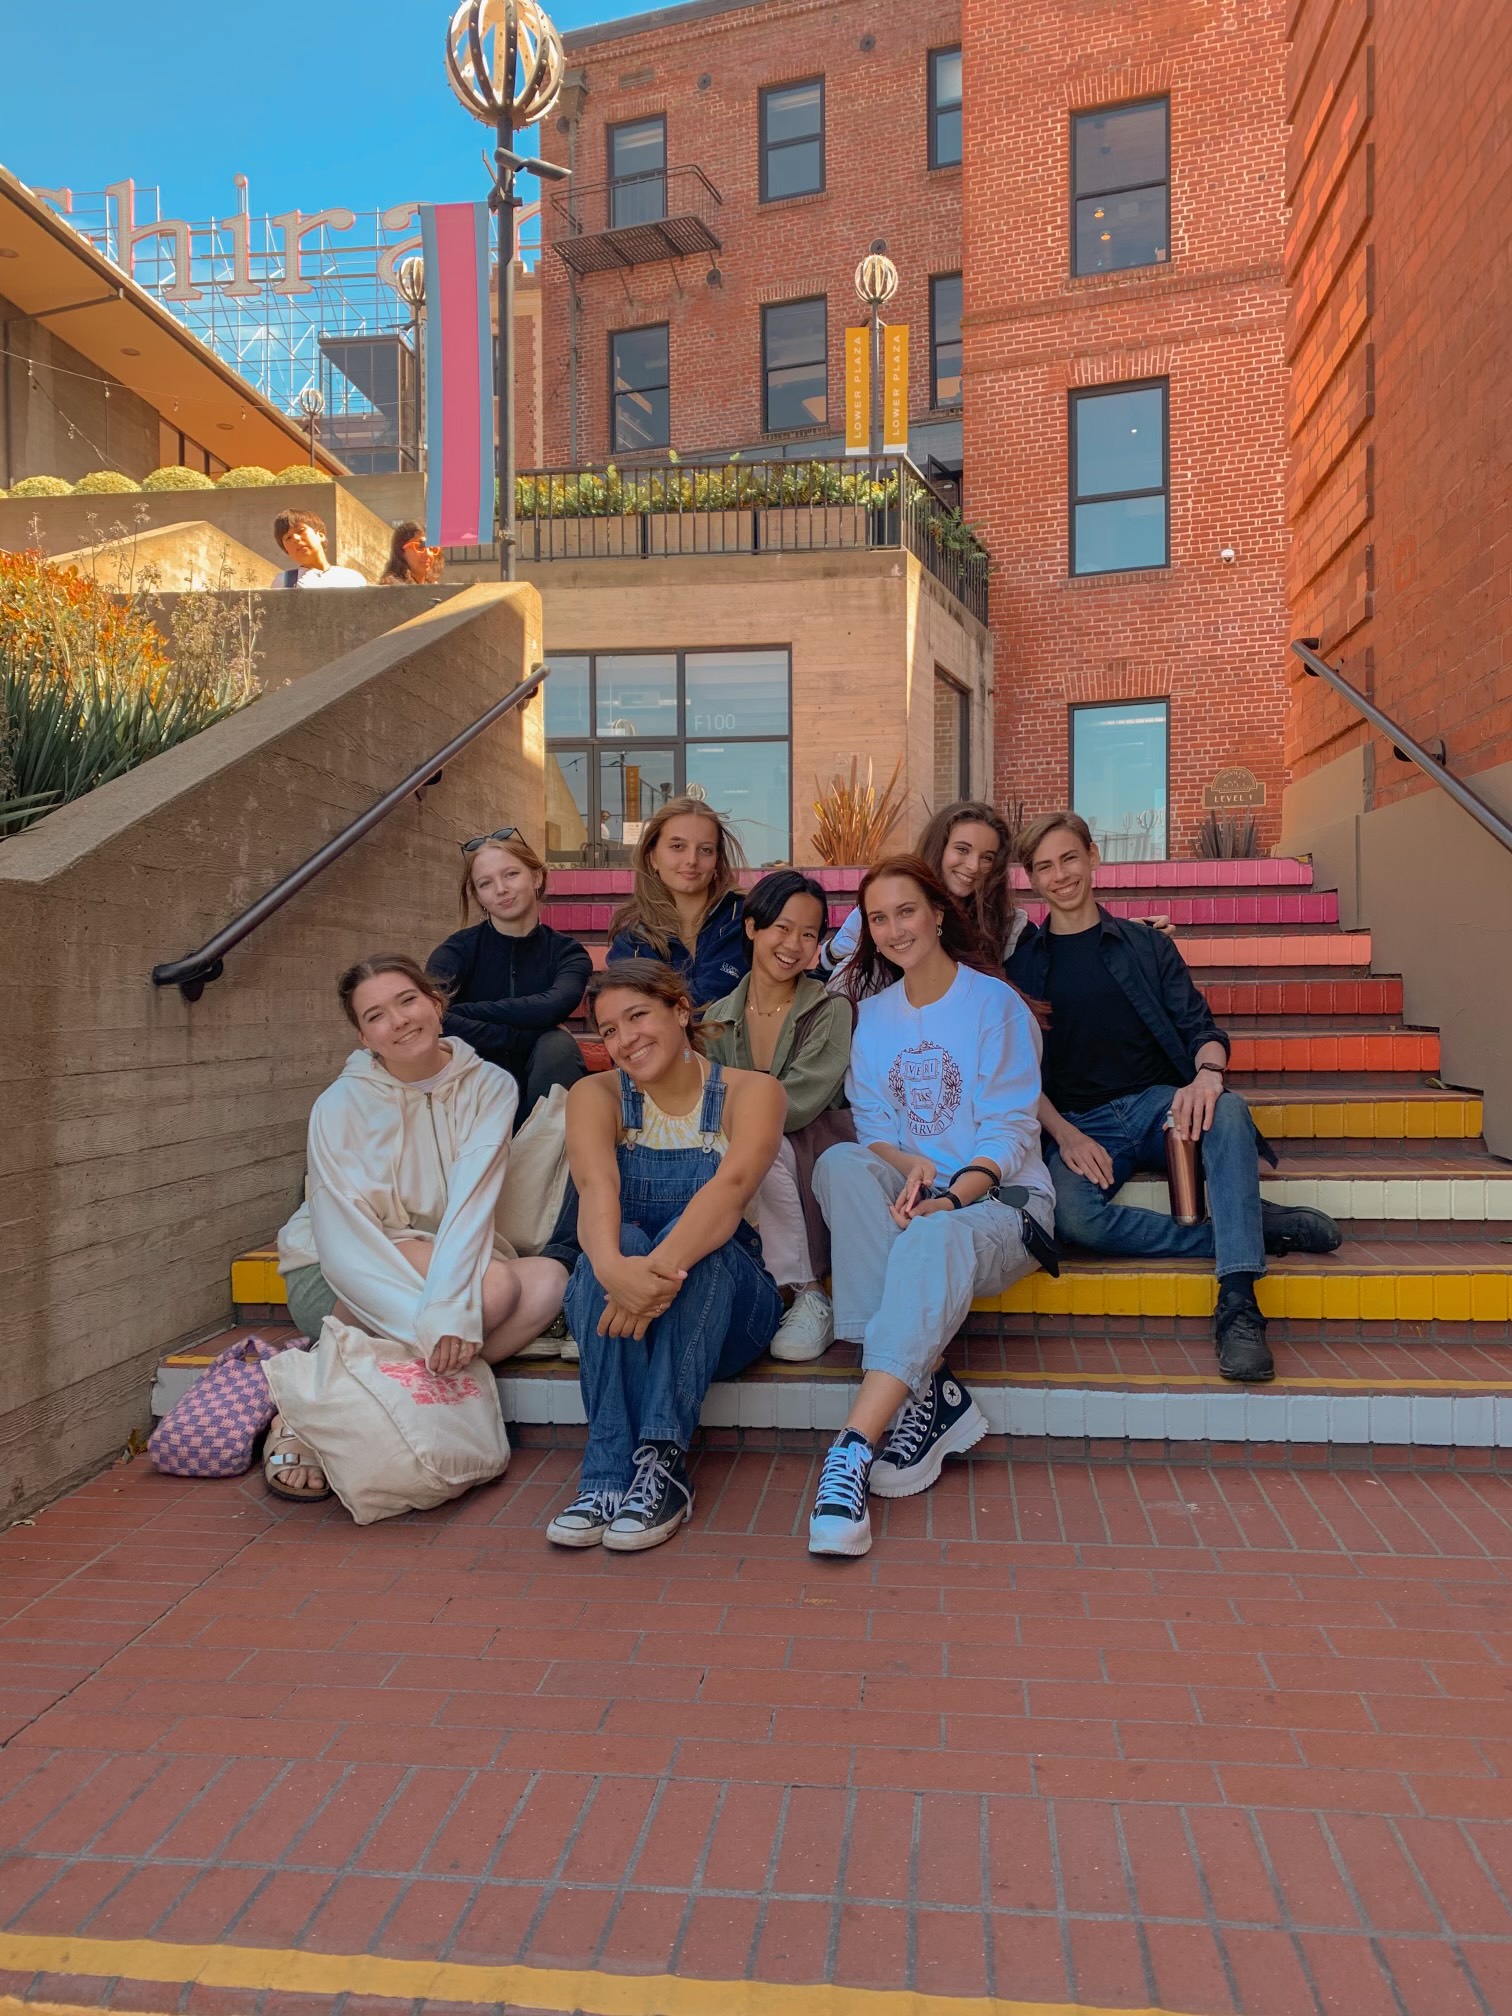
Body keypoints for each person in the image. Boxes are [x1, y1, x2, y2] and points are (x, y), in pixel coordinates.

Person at [1007, 812, 1341, 1384]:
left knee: (1228, 1109)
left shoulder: (1144, 945)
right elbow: (1012, 1070)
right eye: (1044, 866)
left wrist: (1207, 1077)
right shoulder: (1022, 967)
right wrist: (1065, 1132)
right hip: (1083, 1124)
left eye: (1068, 858)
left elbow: (1201, 1029)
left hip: (1159, 1106)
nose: (1060, 875)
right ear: (1031, 880)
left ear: (1092, 857)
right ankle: (1248, 1230)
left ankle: (1238, 1301)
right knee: (1075, 1221)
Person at [808, 856, 1055, 1559]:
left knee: (930, 1237)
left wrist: (948, 1195)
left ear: (938, 913)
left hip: (1005, 1200)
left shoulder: (992, 1005)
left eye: (905, 912)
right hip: (921, 1191)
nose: (892, 930)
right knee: (841, 1164)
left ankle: (852, 1450)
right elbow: (874, 1126)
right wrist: (908, 1166)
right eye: (878, 918)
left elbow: (1011, 1132)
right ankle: (928, 1388)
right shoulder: (872, 1016)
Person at [269, 955, 568, 1501]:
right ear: (364, 1036)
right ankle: (308, 1416)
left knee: (550, 1280)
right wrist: (432, 1319)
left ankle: (356, 1397)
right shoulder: (338, 1105)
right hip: (340, 1272)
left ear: (436, 1002)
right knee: (497, 1288)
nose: (400, 1021)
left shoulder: (490, 1085)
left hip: (447, 1254)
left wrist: (450, 1312)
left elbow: (473, 1202)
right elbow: (345, 1242)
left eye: (408, 1000)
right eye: (377, 1015)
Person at [548, 961, 785, 1552]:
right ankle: (605, 1476)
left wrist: (648, 1282)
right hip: (626, 1299)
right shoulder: (593, 1094)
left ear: (680, 1010)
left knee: (700, 1240)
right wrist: (613, 1270)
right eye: (608, 1031)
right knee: (612, 1243)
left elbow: (728, 1195)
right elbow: (596, 1187)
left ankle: (661, 1464)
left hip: (727, 1312)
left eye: (638, 1016)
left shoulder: (752, 1092)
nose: (625, 1040)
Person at [702, 870, 854, 1361]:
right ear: (752, 927)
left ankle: (809, 1291)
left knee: (765, 1143)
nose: (794, 944)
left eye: (809, 934)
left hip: (808, 1156)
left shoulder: (830, 1009)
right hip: (736, 1166)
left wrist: (732, 1114)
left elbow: (801, 1101)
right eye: (782, 928)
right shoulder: (714, 1018)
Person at [820, 799, 1174, 994]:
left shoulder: (1006, 925)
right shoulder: (886, 910)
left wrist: (1123, 932)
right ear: (938, 847)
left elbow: (1058, 948)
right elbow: (837, 977)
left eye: (987, 857)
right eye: (962, 849)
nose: (974, 866)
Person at [428, 827, 590, 1127]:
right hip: (472, 1082)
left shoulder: (567, 952)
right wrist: (519, 1036)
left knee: (557, 1047)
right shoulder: (457, 950)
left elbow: (553, 1005)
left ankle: (551, 1161)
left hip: (541, 1081)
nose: (501, 889)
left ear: (537, 877)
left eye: (511, 874)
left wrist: (465, 1011)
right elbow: (432, 1017)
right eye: (486, 883)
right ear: (478, 896)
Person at [607, 797, 749, 1008]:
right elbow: (632, 1012)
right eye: (677, 846)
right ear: (653, 857)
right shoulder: (633, 939)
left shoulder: (743, 919)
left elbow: (714, 996)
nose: (692, 859)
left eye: (705, 850)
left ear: (717, 861)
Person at [269, 509, 367, 588]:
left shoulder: (352, 578)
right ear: (286, 551)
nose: (295, 538)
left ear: (320, 535)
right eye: (288, 538)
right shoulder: (283, 582)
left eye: (300, 531)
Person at [380, 519, 443, 585]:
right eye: (419, 547)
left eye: (431, 548)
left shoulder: (434, 588)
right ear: (401, 551)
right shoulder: (392, 589)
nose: (427, 554)